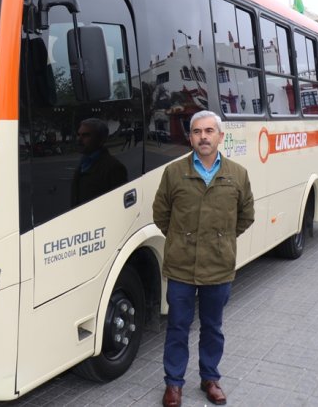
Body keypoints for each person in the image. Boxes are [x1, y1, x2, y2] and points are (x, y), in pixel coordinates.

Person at [152, 110, 254, 407]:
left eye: (209, 131)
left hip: (219, 267)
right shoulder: (174, 172)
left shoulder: (237, 174)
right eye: (197, 132)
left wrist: (221, 240)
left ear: (220, 137)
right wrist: (181, 239)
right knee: (177, 327)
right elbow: (161, 214)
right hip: (181, 267)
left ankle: (210, 378)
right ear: (191, 137)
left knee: (213, 327)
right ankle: (173, 384)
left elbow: (246, 215)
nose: (204, 137)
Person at [71, 118, 127, 206]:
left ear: (100, 139)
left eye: (85, 135)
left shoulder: (114, 168)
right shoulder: (83, 162)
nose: (79, 139)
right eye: (79, 134)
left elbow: (117, 205)